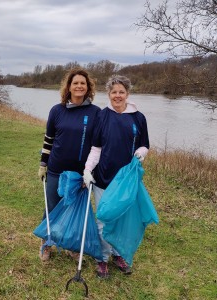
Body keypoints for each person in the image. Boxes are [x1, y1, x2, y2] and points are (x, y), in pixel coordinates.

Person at [82, 74, 150, 279]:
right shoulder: (102, 116)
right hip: (103, 179)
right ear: (109, 94)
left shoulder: (138, 117)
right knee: (104, 220)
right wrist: (87, 170)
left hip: (126, 182)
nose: (118, 95)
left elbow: (145, 144)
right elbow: (96, 148)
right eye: (114, 92)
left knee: (122, 220)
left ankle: (118, 254)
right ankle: (102, 259)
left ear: (127, 94)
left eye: (122, 92)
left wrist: (141, 153)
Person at [37, 68, 101, 261]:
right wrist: (43, 164)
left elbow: (98, 145)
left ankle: (72, 245)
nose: (79, 86)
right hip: (56, 169)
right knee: (52, 206)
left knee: (75, 209)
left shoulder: (96, 113)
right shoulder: (57, 110)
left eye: (83, 83)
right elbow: (49, 139)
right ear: (69, 87)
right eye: (75, 83)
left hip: (81, 173)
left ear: (88, 87)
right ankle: (46, 243)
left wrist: (89, 172)